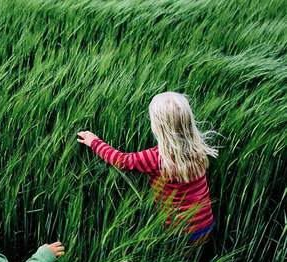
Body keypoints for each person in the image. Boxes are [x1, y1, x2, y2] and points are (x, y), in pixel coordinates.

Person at [77, 91, 218, 247]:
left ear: (158, 127)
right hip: (206, 226)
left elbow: (122, 161)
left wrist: (95, 142)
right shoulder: (199, 148)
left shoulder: (156, 157)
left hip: (178, 232)